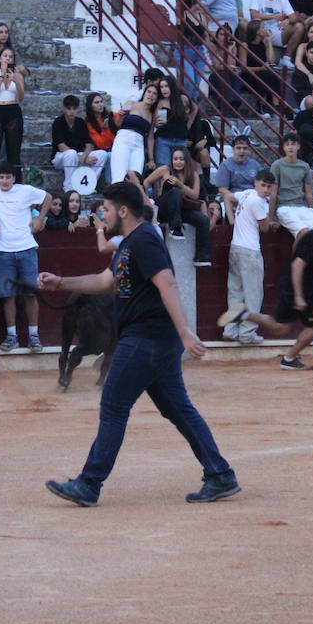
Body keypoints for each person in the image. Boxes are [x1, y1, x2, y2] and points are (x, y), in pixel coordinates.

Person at [41, 181, 237, 507]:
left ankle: (89, 483)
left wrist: (185, 331)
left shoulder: (144, 240)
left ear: (123, 211)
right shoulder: (131, 243)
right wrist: (61, 283)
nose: (101, 215)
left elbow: (167, 283)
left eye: (105, 209)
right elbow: (104, 281)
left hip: (147, 337)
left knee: (114, 405)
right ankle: (220, 474)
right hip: (155, 338)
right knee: (178, 409)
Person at [222, 207, 313, 370]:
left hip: (295, 285)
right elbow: (297, 265)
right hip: (300, 288)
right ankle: (289, 359)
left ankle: (243, 314)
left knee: (281, 327)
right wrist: (298, 296)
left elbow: (297, 254)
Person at [0, 167, 50, 352]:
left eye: (8, 177)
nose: (4, 181)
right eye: (1, 177)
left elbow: (48, 197)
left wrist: (40, 218)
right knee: (7, 295)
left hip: (26, 248)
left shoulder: (25, 190)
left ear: (14, 178)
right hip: (3, 251)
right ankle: (12, 336)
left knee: (31, 294)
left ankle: (34, 335)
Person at [221, 170, 275, 344]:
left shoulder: (246, 194)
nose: (265, 189)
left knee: (235, 293)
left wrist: (232, 220)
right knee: (253, 294)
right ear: (256, 183)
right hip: (250, 251)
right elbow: (265, 228)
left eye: (268, 187)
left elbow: (227, 196)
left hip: (235, 247)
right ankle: (247, 333)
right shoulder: (258, 201)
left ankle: (230, 330)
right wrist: (271, 220)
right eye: (263, 185)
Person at [0, 45, 27, 174]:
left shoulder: (17, 75)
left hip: (13, 109)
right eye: (5, 56)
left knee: (14, 149)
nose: (8, 58)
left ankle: (14, 179)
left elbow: (21, 97)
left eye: (10, 57)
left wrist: (16, 81)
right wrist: (2, 75)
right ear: (0, 58)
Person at [51, 93, 107, 180]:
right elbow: (61, 147)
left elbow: (89, 144)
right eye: (69, 109)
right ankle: (69, 185)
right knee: (71, 153)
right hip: (61, 157)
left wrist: (84, 156)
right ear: (64, 109)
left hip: (79, 155)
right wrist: (80, 158)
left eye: (74, 109)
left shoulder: (80, 122)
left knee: (102, 154)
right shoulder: (58, 122)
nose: (72, 112)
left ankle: (90, 182)